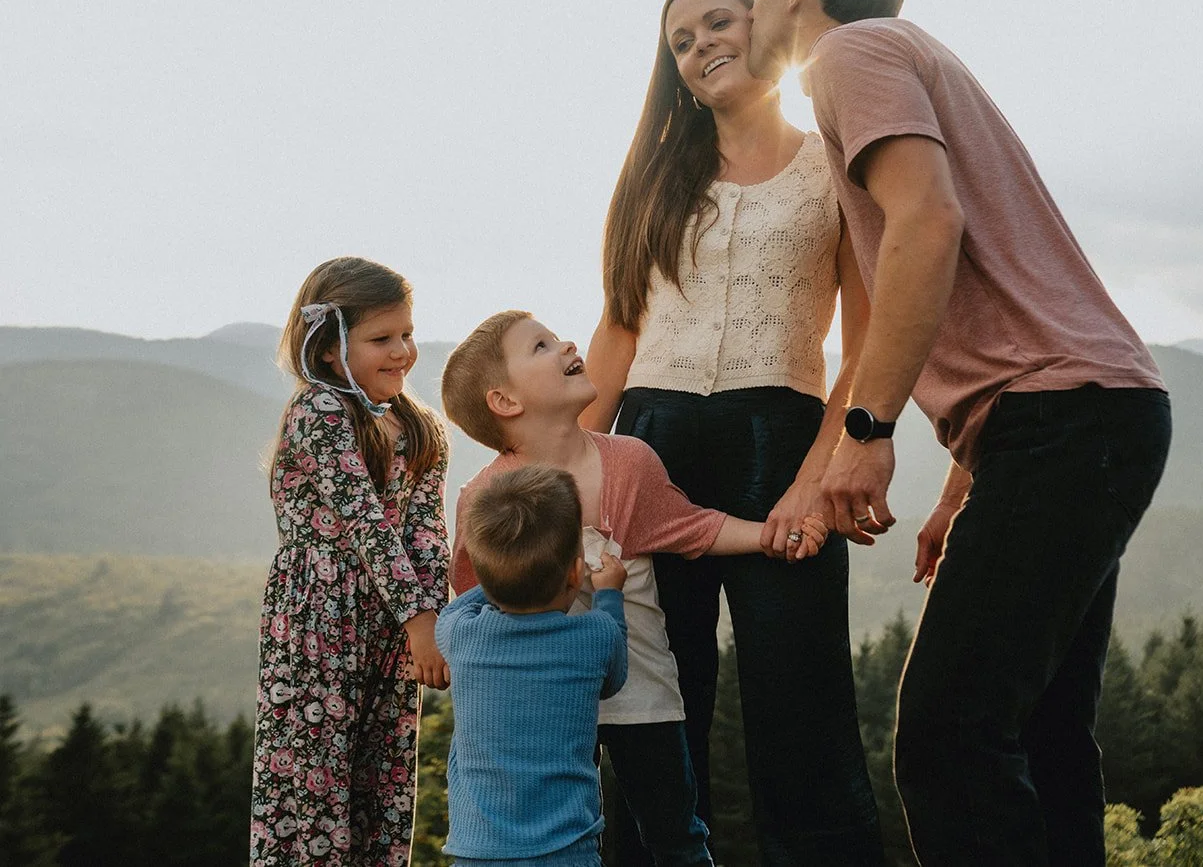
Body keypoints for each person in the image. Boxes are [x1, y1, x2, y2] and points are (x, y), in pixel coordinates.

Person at [745, 0, 1174, 866]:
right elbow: (1001, 298)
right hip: (1086, 413)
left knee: (948, 734)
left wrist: (869, 426)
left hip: (1067, 421)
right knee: (1038, 732)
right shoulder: (910, 53)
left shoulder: (850, 55)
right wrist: (964, 479)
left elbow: (928, 225)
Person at [581, 0, 883, 865]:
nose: (702, 44)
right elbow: (617, 329)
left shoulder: (837, 162)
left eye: (718, 21)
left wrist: (817, 475)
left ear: (761, 25)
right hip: (647, 447)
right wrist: (562, 472)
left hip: (780, 442)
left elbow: (866, 345)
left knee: (802, 698)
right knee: (651, 705)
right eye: (680, 40)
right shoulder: (653, 177)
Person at [439, 310, 827, 867]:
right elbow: (474, 593)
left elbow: (693, 526)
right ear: (505, 401)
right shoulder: (487, 498)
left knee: (675, 832)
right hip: (549, 698)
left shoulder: (628, 462)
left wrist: (772, 534)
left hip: (640, 684)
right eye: (541, 346)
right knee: (571, 832)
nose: (567, 343)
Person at [249, 256, 452, 866]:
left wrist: (436, 623)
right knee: (315, 779)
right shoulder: (320, 412)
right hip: (318, 619)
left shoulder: (419, 427)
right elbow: (364, 522)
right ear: (331, 347)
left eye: (407, 334)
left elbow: (426, 535)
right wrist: (421, 621)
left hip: (391, 625)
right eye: (381, 339)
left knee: (380, 780)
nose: (402, 351)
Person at [438, 464, 629, 866]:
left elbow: (460, 605)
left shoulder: (460, 635)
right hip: (568, 850)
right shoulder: (595, 636)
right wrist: (609, 594)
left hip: (477, 853)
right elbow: (615, 679)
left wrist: (493, 583)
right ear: (576, 573)